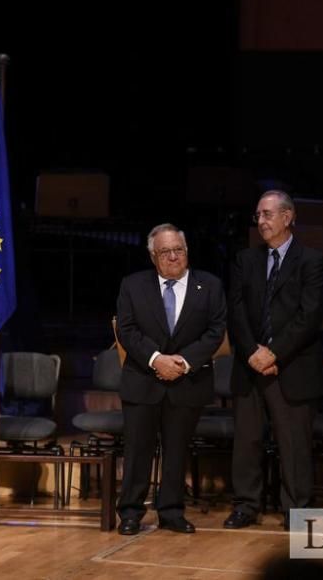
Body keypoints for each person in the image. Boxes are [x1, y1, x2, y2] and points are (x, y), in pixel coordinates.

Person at [223, 190, 323, 530]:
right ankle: (246, 505)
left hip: (292, 365)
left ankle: (296, 509)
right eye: (258, 215)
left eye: (268, 214)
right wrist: (253, 352)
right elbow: (236, 311)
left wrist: (274, 352)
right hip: (250, 365)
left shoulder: (312, 260)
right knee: (247, 440)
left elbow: (310, 315)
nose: (262, 222)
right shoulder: (245, 260)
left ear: (288, 217)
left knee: (293, 443)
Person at [115, 223, 226, 535]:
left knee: (177, 450)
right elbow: (126, 330)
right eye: (166, 252)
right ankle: (131, 513)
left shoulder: (210, 285)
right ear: (153, 256)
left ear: (187, 251)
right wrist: (156, 360)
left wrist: (184, 362)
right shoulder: (132, 285)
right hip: (142, 381)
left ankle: (172, 511)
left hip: (187, 382)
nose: (174, 256)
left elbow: (215, 331)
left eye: (179, 250)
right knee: (138, 450)